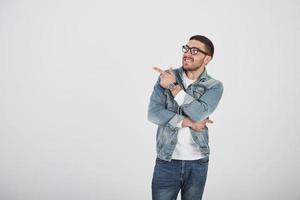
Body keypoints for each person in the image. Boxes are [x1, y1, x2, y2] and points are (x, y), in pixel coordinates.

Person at [148, 35, 223, 200]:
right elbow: (153, 113)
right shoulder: (167, 76)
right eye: (186, 49)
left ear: (207, 58)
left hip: (198, 162)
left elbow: (199, 113)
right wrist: (187, 122)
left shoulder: (214, 86)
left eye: (194, 51)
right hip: (167, 161)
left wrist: (173, 87)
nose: (187, 53)